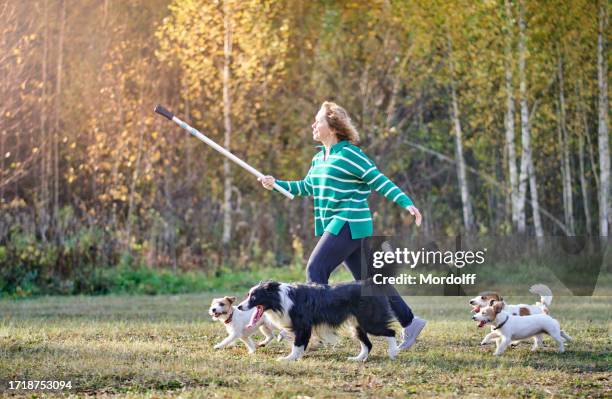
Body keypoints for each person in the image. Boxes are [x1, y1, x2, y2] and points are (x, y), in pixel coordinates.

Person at [258, 101, 426, 350]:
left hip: (348, 221)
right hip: (341, 226)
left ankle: (315, 332)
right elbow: (306, 187)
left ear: (333, 127)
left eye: (318, 121)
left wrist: (405, 202)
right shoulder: (318, 159)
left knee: (316, 269)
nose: (313, 125)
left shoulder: (350, 154)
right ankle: (410, 322)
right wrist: (276, 183)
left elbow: (378, 179)